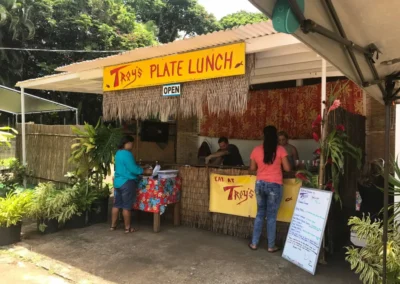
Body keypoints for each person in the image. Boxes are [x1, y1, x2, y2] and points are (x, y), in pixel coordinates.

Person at [249, 126, 291, 252]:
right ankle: (271, 246)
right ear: (276, 136)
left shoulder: (256, 150)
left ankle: (254, 243)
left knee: (260, 214)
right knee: (271, 216)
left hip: (260, 184)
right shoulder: (280, 150)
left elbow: (252, 168)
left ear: (263, 136)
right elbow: (288, 168)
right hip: (274, 185)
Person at [111, 135, 143, 233]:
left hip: (118, 183)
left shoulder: (118, 153)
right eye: (131, 143)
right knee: (126, 207)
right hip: (127, 183)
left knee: (116, 205)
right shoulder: (127, 154)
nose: (132, 145)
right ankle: (127, 228)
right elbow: (133, 169)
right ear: (127, 143)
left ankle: (113, 226)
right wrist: (142, 170)